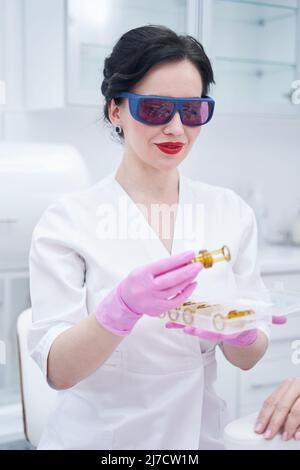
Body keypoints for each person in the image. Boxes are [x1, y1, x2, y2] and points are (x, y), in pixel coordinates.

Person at [28, 25, 269, 450]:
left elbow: (248, 360)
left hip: (199, 438)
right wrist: (118, 311)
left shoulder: (230, 213)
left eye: (192, 111)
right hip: (100, 442)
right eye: (156, 108)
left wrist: (243, 334)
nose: (177, 128)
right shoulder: (67, 222)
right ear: (115, 110)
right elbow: (59, 371)